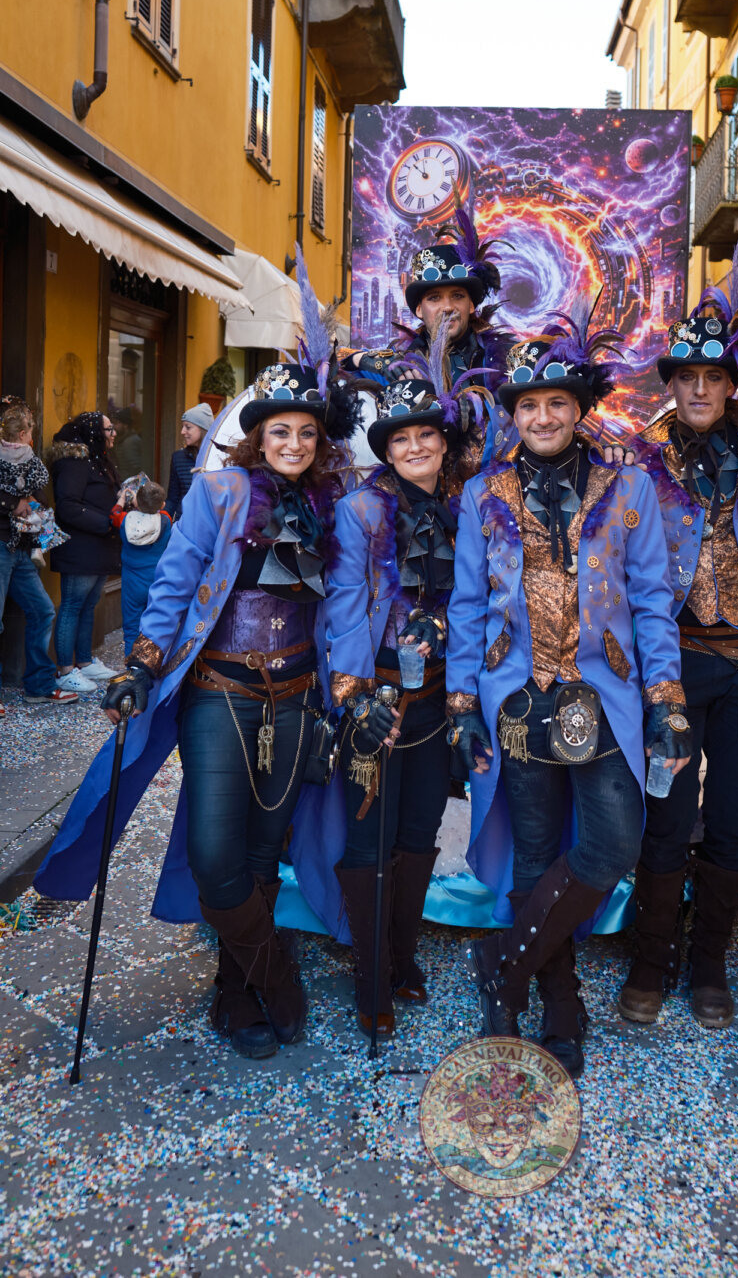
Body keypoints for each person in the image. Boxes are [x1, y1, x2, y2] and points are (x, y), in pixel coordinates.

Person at [36, 273, 362, 1062]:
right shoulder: (218, 496)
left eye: (306, 433)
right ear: (258, 436)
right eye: (280, 432)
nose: (293, 444)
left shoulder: (336, 509)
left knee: (262, 853)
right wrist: (142, 664)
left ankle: (234, 989)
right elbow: (174, 588)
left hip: (296, 699)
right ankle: (276, 976)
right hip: (218, 696)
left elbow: (348, 606)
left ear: (321, 441)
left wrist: (353, 688)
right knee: (217, 856)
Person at [445, 303, 691, 1076]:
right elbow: (465, 604)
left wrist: (666, 700)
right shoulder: (483, 495)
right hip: (517, 694)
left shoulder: (628, 489)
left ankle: (506, 962)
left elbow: (652, 601)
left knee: (614, 841)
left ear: (579, 408)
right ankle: (558, 999)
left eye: (557, 403)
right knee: (535, 850)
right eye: (529, 406)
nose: (544, 417)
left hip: (605, 694)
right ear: (513, 415)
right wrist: (461, 703)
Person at [619, 248, 738, 1032]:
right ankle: (650, 959)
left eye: (713, 377)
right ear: (672, 384)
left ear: (733, 385)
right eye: (686, 377)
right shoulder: (638, 464)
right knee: (664, 819)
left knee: (729, 822)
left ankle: (710, 963)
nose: (698, 390)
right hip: (674, 667)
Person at [320, 328, 490, 1039]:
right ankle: (370, 976)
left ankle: (402, 956)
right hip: (377, 699)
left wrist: (446, 636)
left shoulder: (471, 504)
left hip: (441, 700)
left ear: (444, 443)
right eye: (401, 439)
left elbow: (481, 593)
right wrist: (355, 695)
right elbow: (345, 605)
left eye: (426, 435)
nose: (415, 447)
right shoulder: (360, 510)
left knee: (419, 834)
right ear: (386, 450)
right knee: (369, 835)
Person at [343, 207, 514, 469]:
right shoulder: (403, 364)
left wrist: (483, 409)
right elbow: (328, 366)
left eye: (457, 296)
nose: (447, 307)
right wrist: (366, 359)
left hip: (492, 488)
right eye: (434, 298)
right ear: (419, 310)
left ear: (471, 305)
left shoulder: (503, 359)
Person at [0, 397, 78, 713]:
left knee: (43, 610)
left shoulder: (31, 461)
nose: (33, 437)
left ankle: (39, 686)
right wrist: (12, 503)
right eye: (31, 431)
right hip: (1, 544)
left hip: (23, 548)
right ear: (22, 433)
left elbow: (41, 495)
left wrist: (33, 503)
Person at [49, 411, 122, 691]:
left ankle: (84, 661)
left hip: (99, 547)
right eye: (108, 429)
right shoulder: (74, 462)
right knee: (72, 605)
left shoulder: (97, 460)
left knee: (89, 604)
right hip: (79, 548)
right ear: (93, 432)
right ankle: (65, 670)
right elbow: (67, 506)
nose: (114, 433)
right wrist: (106, 522)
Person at [111, 479, 172, 653]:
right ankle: (152, 664)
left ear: (136, 501)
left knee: (131, 629)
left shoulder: (125, 519)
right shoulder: (165, 520)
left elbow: (114, 515)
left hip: (131, 583)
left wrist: (122, 501)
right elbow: (160, 512)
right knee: (154, 628)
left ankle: (131, 665)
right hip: (156, 580)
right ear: (162, 504)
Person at [166, 403, 215, 519]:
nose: (182, 431)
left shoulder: (218, 458)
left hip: (209, 523)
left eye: (188, 427)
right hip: (183, 523)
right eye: (183, 427)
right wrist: (162, 519)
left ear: (203, 429)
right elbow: (172, 499)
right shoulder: (178, 458)